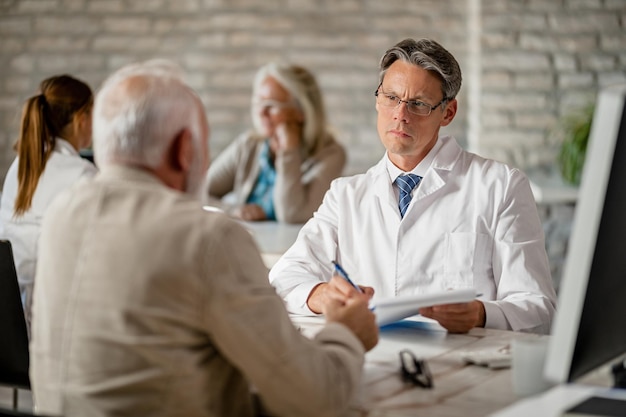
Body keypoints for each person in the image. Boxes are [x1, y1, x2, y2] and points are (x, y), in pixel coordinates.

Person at [29, 60, 378, 417]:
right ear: (185, 149)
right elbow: (317, 398)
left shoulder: (61, 214)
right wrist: (347, 335)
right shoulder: (209, 240)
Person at [269, 38, 557, 335]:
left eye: (418, 104)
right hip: (373, 361)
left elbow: (539, 308)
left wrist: (481, 314)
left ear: (448, 112)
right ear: (377, 99)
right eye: (391, 97)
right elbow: (283, 277)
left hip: (464, 365)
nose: (400, 114)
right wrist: (321, 295)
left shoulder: (501, 186)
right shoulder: (346, 196)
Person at [0, 74, 97, 329]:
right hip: (49, 320)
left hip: (11, 319)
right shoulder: (81, 174)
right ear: (81, 119)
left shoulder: (20, 165)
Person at [204, 62, 346, 224]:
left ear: (301, 112)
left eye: (271, 105)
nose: (261, 113)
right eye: (258, 103)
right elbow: (196, 193)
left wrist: (289, 151)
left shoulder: (330, 154)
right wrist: (233, 210)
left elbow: (292, 215)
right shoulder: (247, 146)